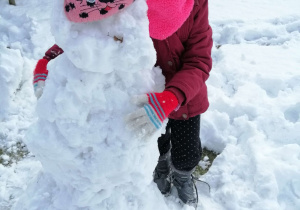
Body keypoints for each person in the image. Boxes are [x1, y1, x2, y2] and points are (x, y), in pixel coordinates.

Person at [33, 0, 212, 207]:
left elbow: (199, 59)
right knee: (158, 145)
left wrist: (173, 96)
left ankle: (183, 176)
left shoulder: (195, 4)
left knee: (186, 154)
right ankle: (160, 165)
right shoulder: (127, 3)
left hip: (186, 99)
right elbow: (94, 32)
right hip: (145, 101)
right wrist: (48, 59)